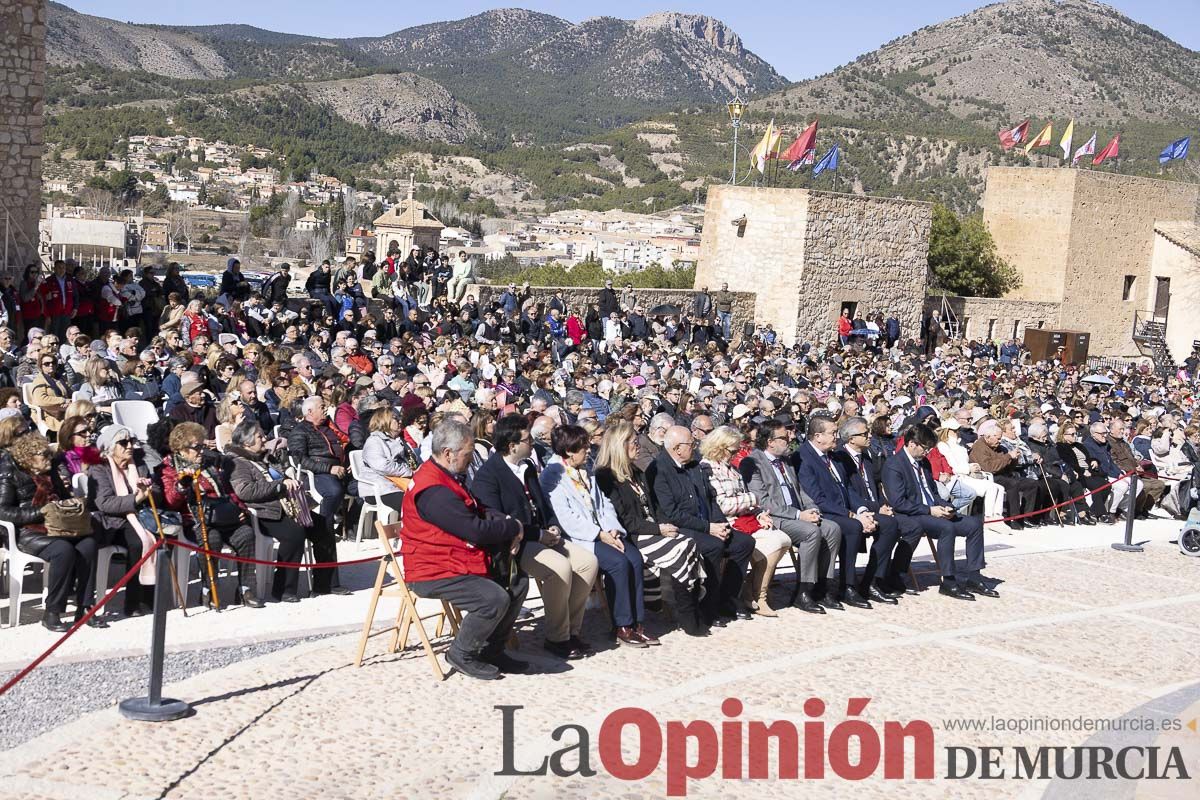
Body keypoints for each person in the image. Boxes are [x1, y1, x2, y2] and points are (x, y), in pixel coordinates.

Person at [401, 420, 528, 680]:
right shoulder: (434, 490)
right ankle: (461, 651)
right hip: (433, 569)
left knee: (517, 582)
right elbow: (475, 530)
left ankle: (492, 649)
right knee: (493, 598)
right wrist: (512, 527)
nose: (472, 460)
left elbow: (478, 509)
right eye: (468, 454)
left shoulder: (446, 476)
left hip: (454, 558)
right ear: (448, 453)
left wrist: (508, 523)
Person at [471, 413, 600, 658]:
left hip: (542, 536)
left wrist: (552, 527)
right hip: (516, 543)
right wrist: (538, 534)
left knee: (587, 563)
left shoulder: (527, 468)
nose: (533, 443)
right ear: (512, 446)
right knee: (559, 567)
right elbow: (499, 521)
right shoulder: (488, 476)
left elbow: (543, 505)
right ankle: (557, 637)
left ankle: (572, 631)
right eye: (527, 439)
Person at [542, 424, 655, 648]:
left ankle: (637, 622)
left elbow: (604, 505)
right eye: (583, 448)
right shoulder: (552, 476)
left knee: (634, 559)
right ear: (569, 452)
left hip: (604, 532)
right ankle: (621, 624)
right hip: (580, 538)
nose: (588, 451)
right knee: (618, 563)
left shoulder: (585, 470)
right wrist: (599, 534)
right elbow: (567, 518)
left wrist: (613, 529)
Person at [595, 419, 707, 635]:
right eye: (633, 441)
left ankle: (688, 608)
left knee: (688, 542)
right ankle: (686, 614)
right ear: (619, 445)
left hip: (652, 528)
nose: (637, 445)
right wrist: (659, 530)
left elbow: (654, 507)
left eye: (637, 440)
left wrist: (667, 525)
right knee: (681, 547)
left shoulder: (636, 472)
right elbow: (624, 519)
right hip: (633, 534)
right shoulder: (605, 477)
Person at [227, 420, 341, 602]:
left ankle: (326, 583)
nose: (264, 439)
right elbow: (245, 491)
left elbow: (283, 477)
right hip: (264, 512)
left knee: (323, 525)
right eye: (259, 436)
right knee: (294, 533)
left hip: (287, 506)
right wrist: (278, 486)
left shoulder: (266, 458)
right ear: (247, 442)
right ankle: (283, 589)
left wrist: (288, 481)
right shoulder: (238, 463)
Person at [652, 425, 755, 626]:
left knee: (744, 543)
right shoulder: (659, 470)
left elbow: (710, 499)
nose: (696, 447)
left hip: (707, 522)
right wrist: (709, 528)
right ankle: (708, 607)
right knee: (713, 546)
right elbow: (672, 514)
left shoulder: (694, 466)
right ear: (677, 448)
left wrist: (721, 524)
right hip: (681, 527)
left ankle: (728, 599)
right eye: (691, 444)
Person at [1, 432, 104, 631]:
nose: (49, 459)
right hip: (28, 532)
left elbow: (63, 497)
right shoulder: (10, 473)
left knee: (89, 544)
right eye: (43, 455)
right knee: (62, 550)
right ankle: (52, 612)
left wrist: (70, 504)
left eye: (49, 454)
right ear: (28, 457)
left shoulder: (51, 470)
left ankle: (84, 607)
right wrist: (40, 512)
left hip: (59, 526)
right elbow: (3, 511)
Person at [881, 423, 996, 600]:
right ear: (912, 443)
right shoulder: (894, 465)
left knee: (973, 524)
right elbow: (898, 502)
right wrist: (929, 510)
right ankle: (949, 581)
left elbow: (933, 492)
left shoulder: (923, 462)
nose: (927, 453)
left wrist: (944, 506)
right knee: (946, 528)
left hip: (932, 510)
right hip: (913, 514)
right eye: (925, 448)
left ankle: (974, 576)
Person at [740, 420, 842, 614]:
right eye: (784, 438)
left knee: (832, 528)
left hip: (798, 514)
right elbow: (762, 500)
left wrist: (812, 509)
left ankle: (824, 586)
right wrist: (798, 515)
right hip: (776, 517)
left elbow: (799, 490)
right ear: (770, 441)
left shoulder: (785, 460)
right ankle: (804, 590)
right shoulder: (752, 462)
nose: (789, 440)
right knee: (811, 532)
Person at [161, 422, 262, 609]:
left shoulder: (210, 464)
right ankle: (209, 589)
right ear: (182, 449)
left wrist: (241, 510)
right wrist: (182, 485)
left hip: (225, 515)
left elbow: (228, 491)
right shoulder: (170, 468)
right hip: (196, 521)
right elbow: (170, 501)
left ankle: (246, 589)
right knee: (211, 540)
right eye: (196, 447)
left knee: (246, 534)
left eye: (202, 446)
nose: (201, 451)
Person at [793, 415, 889, 607]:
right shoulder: (803, 457)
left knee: (890, 524)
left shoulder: (833, 454)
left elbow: (847, 488)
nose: (837, 436)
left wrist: (862, 510)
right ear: (818, 436)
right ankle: (847, 585)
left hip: (845, 509)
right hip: (822, 511)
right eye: (833, 433)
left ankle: (872, 581)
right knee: (852, 527)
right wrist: (852, 516)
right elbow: (817, 498)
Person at [699, 425, 790, 617]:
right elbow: (722, 505)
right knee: (774, 542)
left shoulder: (730, 468)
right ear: (719, 448)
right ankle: (757, 596)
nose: (735, 454)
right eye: (733, 450)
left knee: (783, 539)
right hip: (727, 522)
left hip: (745, 518)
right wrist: (753, 499)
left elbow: (741, 497)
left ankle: (752, 590)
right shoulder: (707, 469)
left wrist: (758, 513)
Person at [88, 424, 161, 617]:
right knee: (138, 543)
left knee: (158, 539)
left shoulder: (139, 464)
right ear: (110, 447)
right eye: (123, 442)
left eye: (131, 441)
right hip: (112, 522)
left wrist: (149, 489)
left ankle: (150, 596)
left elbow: (157, 491)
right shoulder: (99, 470)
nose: (129, 446)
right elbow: (105, 503)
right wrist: (136, 498)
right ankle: (133, 602)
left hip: (140, 517)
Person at [969, 420, 1039, 529]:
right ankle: (1013, 518)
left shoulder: (998, 446)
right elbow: (989, 468)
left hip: (1004, 474)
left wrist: (1015, 459)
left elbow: (1008, 466)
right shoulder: (979, 447)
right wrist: (1008, 457)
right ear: (988, 437)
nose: (1000, 441)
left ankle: (1026, 516)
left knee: (1031, 483)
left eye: (1000, 438)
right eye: (997, 438)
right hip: (989, 476)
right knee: (1012, 484)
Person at [360, 407, 413, 515]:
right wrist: (409, 471)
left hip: (402, 484)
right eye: (395, 418)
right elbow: (383, 466)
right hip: (382, 488)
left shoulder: (401, 441)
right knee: (413, 504)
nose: (400, 421)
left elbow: (413, 461)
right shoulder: (374, 441)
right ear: (384, 421)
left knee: (430, 498)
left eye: (400, 418)